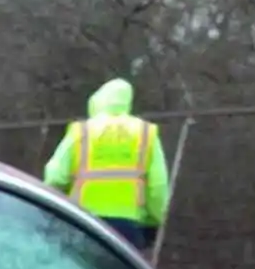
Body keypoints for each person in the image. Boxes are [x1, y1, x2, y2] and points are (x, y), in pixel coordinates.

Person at [43, 78, 170, 251]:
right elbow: (158, 187)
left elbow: (55, 177)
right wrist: (154, 221)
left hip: (82, 221)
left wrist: (53, 212)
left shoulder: (83, 130)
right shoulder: (146, 133)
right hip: (128, 226)